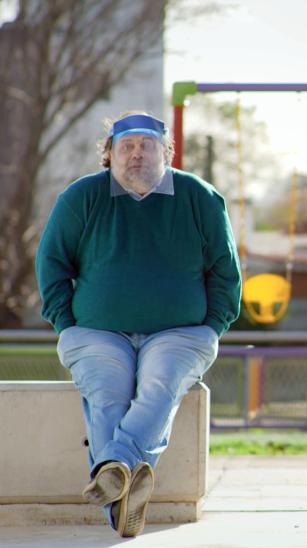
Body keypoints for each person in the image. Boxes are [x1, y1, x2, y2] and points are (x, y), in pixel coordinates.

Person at [35, 112, 242, 537]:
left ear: (166, 153)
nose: (136, 154)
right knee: (107, 393)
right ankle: (124, 488)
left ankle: (114, 468)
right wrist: (67, 323)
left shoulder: (199, 197)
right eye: (125, 146)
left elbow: (226, 269)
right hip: (96, 332)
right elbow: (51, 262)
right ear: (109, 154)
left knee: (160, 384)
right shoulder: (82, 197)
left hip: (180, 332)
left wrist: (212, 325)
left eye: (147, 145)